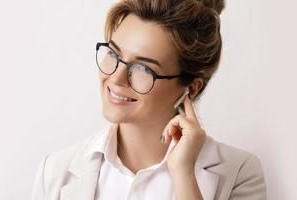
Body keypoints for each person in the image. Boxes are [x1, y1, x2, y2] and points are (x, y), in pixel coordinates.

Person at [32, 0, 267, 199]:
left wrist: (184, 175)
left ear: (192, 88)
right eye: (113, 54)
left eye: (143, 68)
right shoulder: (54, 171)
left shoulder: (240, 173)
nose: (116, 77)